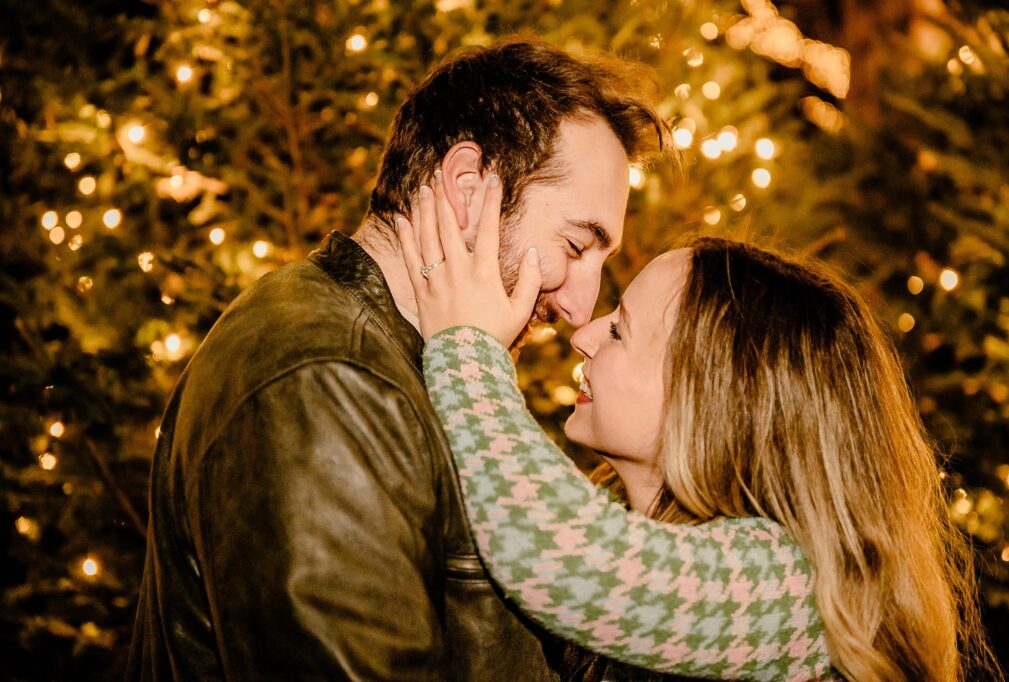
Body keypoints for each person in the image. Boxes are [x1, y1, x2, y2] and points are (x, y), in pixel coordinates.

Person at [126, 37, 665, 680]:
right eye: (575, 246)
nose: (581, 307)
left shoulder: (406, 368)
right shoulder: (328, 377)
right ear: (468, 187)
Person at [395, 175, 998, 681]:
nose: (584, 334)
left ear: (711, 398)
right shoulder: (630, 523)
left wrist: (467, 344)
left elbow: (560, 552)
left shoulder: (799, 593)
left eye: (620, 330)